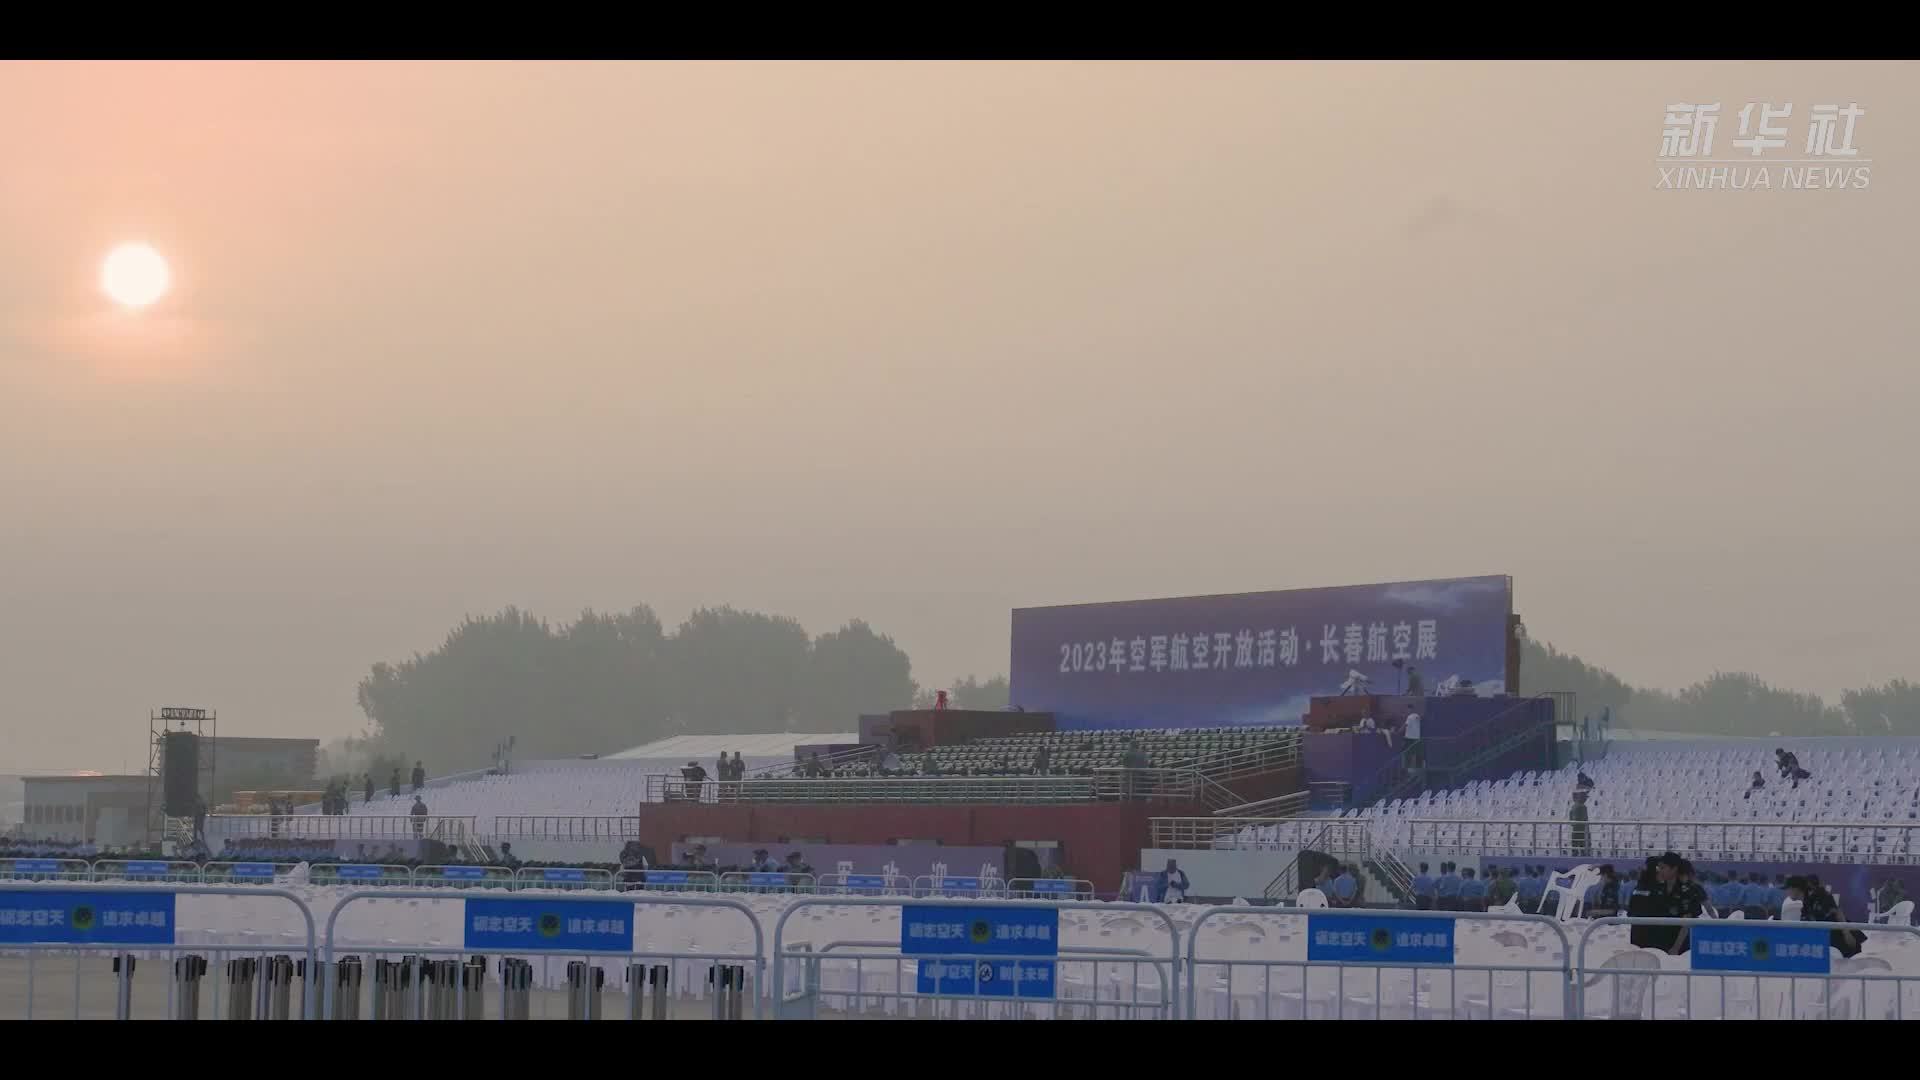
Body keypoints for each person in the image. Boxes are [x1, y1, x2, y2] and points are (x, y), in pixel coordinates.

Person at [1788, 876, 1864, 958]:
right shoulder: (1806, 904)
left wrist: (1847, 933)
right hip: (1827, 944)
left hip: (1841, 944)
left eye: (1789, 889)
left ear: (1795, 889)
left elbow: (1837, 912)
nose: (1788, 892)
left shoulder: (1820, 898)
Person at [1568, 790, 1590, 855]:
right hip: (1582, 830)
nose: (1586, 799)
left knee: (1575, 848)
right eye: (1585, 797)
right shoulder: (1582, 807)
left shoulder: (1574, 806)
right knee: (1583, 848)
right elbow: (1584, 819)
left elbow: (1571, 819)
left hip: (1575, 830)